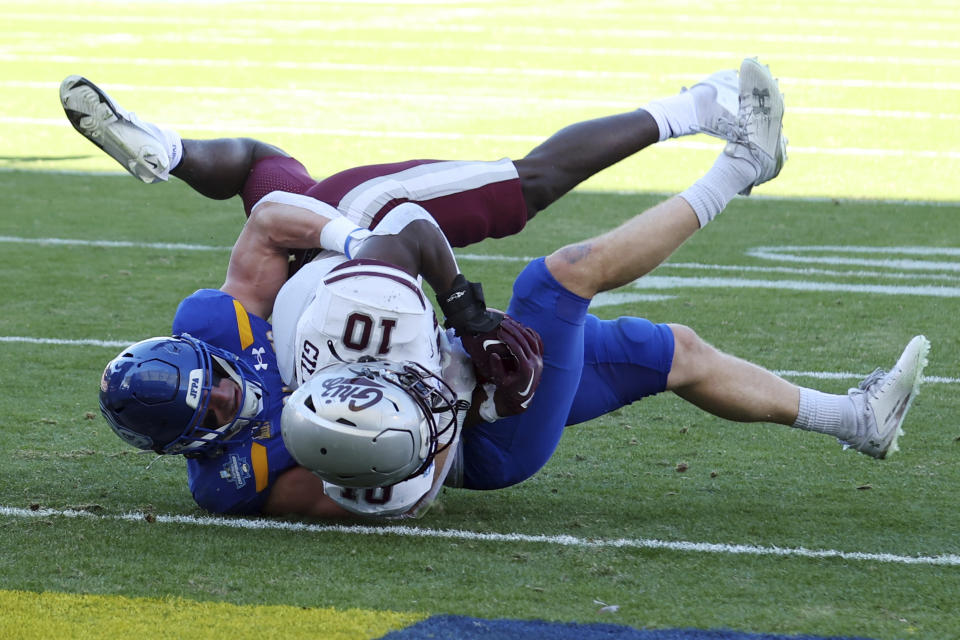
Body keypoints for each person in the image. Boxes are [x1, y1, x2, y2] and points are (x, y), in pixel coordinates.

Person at [65, 60, 926, 521]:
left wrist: (360, 250)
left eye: (208, 371)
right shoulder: (248, 476)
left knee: (676, 354)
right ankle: (735, 159)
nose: (226, 386)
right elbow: (401, 490)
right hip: (477, 437)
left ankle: (856, 420)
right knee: (558, 276)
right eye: (211, 405)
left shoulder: (225, 325)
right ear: (190, 445)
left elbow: (268, 224)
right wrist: (452, 387)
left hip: (416, 325)